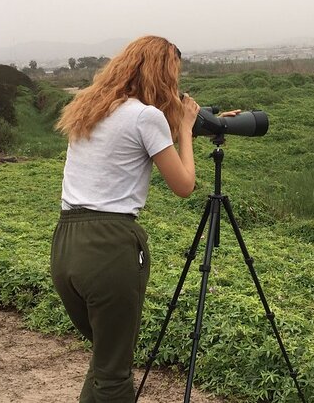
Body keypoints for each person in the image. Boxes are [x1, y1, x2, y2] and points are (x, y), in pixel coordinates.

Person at [50, 36, 212, 402]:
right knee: (114, 375)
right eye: (174, 74)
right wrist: (186, 129)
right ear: (160, 72)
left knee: (105, 360)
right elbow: (184, 185)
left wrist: (194, 123)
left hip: (66, 246)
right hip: (109, 248)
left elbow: (138, 138)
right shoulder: (145, 116)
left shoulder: (91, 109)